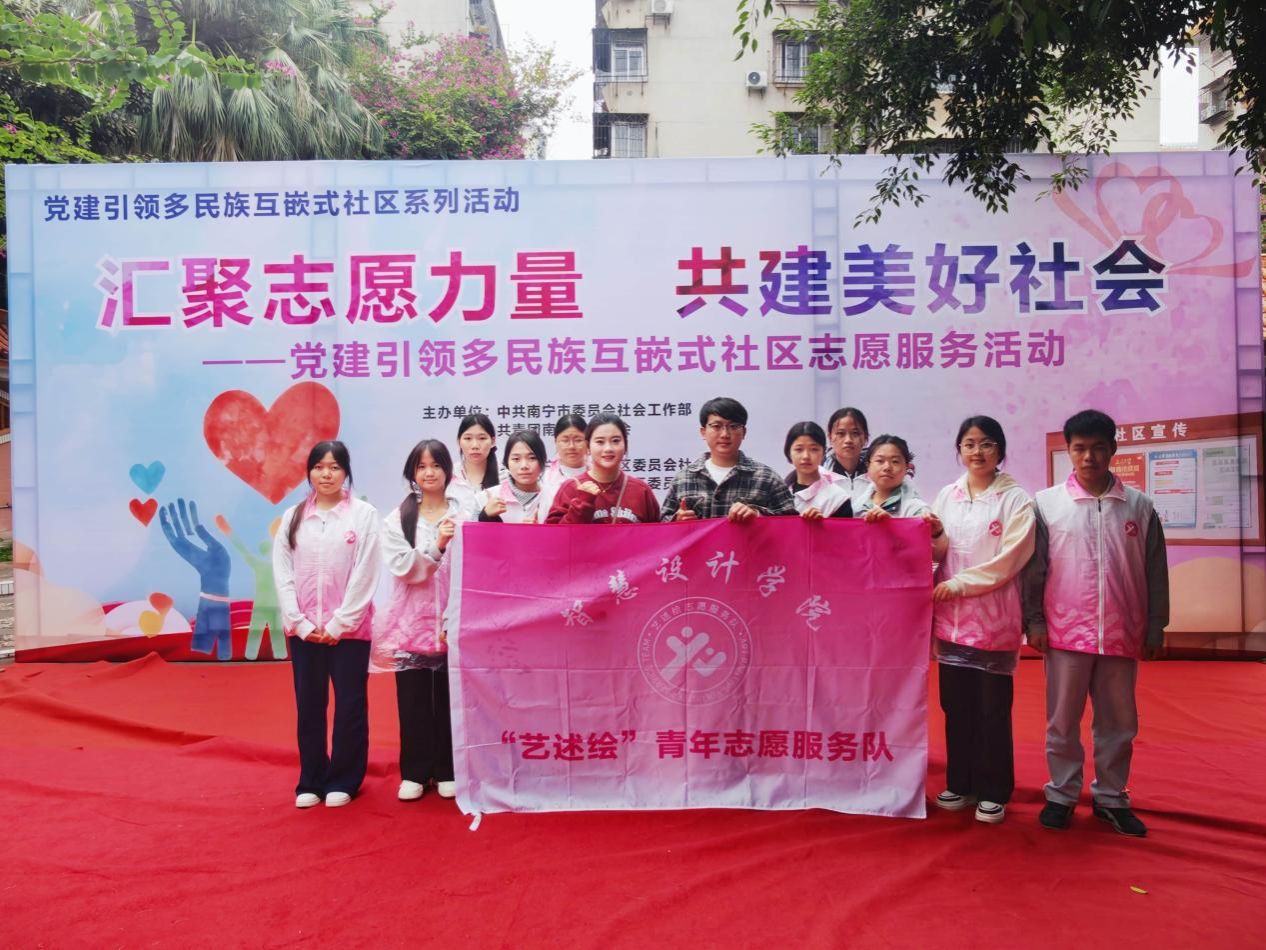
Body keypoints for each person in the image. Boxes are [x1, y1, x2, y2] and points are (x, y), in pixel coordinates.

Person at [1024, 410, 1169, 837]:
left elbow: (1155, 571)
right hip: (1065, 633)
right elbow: (1035, 570)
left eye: (1098, 447)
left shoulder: (1139, 506)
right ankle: (1061, 795)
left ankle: (1111, 798)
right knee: (1061, 722)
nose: (1089, 457)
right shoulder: (1047, 504)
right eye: (1080, 448)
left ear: (1113, 449)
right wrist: (1034, 621)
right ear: (1068, 451)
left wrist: (1155, 626)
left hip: (1122, 632)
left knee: (1119, 723)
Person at [928, 417, 1036, 825]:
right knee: (955, 707)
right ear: (959, 449)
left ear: (1000, 450)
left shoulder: (1016, 500)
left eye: (987, 443)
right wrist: (933, 536)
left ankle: (994, 790)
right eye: (969, 444)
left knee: (992, 710)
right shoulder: (947, 495)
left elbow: (1010, 560)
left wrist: (960, 584)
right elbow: (937, 551)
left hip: (994, 622)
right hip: (951, 621)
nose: (977, 451)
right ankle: (961, 782)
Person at [272, 441, 380, 809]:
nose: (326, 474)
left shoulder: (363, 516)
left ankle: (344, 779)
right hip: (304, 632)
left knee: (350, 705)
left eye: (334, 467)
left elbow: (366, 573)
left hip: (348, 632)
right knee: (309, 705)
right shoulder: (293, 517)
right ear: (309, 473)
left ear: (346, 472)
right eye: (319, 467)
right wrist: (300, 623)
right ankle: (311, 779)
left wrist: (339, 624)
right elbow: (283, 574)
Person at [372, 439, 465, 803]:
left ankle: (447, 769)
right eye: (422, 466)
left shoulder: (464, 513)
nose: (429, 473)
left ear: (448, 470)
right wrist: (436, 546)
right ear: (412, 472)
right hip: (409, 624)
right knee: (412, 701)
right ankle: (414, 771)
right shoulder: (398, 518)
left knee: (449, 701)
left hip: (452, 622)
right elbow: (404, 568)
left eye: (436, 465)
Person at [662, 397, 796, 522]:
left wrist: (758, 515)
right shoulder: (684, 478)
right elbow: (661, 525)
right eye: (716, 426)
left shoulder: (767, 478)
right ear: (703, 432)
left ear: (744, 432)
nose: (725, 434)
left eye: (734, 426)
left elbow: (791, 523)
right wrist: (677, 521)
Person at [546, 413, 661, 524]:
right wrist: (582, 503)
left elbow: (658, 534)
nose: (608, 448)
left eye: (615, 441)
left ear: (625, 445)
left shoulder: (641, 491)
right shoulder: (570, 488)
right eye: (600, 442)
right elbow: (554, 535)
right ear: (588, 447)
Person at [782, 421, 852, 519]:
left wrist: (821, 525)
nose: (806, 456)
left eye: (814, 449)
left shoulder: (837, 499)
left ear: (823, 452)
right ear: (789, 452)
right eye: (799, 449)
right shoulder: (778, 494)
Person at [853, 435, 932, 519]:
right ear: (868, 466)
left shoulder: (918, 510)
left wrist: (892, 523)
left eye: (895, 461)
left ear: (906, 467)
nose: (887, 467)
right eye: (880, 461)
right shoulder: (855, 508)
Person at [477, 430, 547, 523]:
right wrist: (485, 516)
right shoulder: (486, 498)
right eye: (516, 459)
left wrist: (542, 529)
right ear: (507, 463)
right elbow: (468, 531)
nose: (524, 466)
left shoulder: (553, 498)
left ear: (543, 461)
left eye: (532, 458)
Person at [538, 413, 589, 517]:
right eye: (565, 440)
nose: (571, 446)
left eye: (578, 440)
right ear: (556, 442)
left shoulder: (598, 475)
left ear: (588, 442)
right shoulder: (543, 480)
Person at [449, 413, 500, 518]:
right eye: (468, 438)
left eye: (482, 438)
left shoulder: (505, 476)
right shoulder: (448, 475)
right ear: (458, 442)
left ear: (493, 441)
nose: (475, 445)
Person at [823, 407, 871, 501]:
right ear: (830, 437)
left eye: (855, 433)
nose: (848, 440)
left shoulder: (877, 474)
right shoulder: (819, 475)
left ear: (865, 437)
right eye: (841, 433)